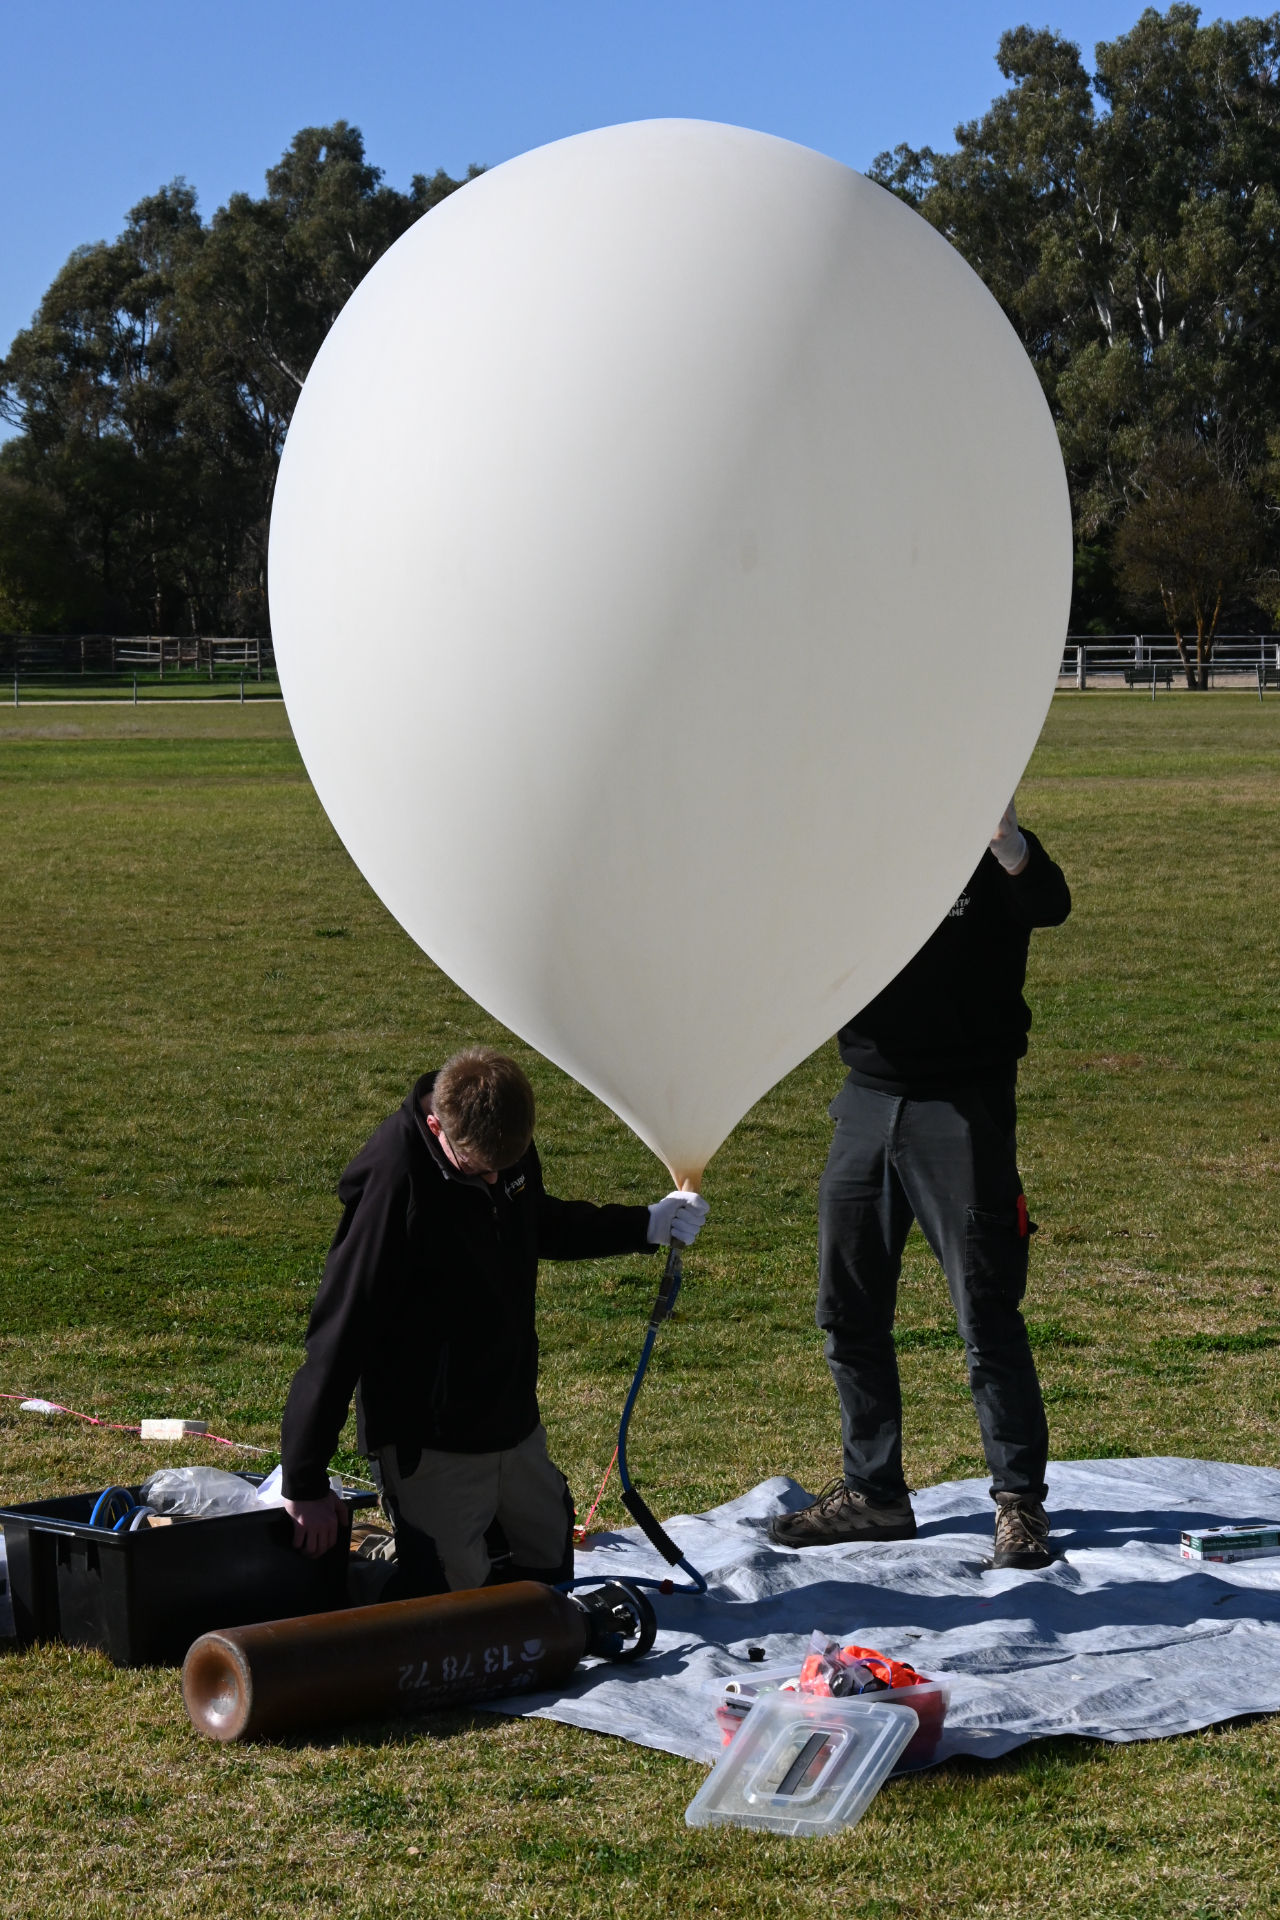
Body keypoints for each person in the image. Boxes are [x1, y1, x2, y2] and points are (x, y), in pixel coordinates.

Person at [280, 1047, 708, 1592]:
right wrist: (305, 1479)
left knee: (548, 1563)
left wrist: (645, 1225)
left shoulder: (501, 1143)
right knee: (454, 1597)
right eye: (478, 1169)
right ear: (437, 1126)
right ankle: (381, 1578)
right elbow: (342, 1330)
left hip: (510, 1416)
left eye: (506, 1168)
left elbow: (536, 1221)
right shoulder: (394, 1185)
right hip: (430, 1435)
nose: (494, 1180)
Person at [770, 799, 1070, 1570]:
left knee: (985, 1313)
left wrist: (1007, 843)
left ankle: (1018, 1508)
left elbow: (1050, 903)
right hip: (865, 1101)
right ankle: (874, 1494)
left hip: (961, 1107)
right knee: (846, 1309)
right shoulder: (856, 855)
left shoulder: (988, 848)